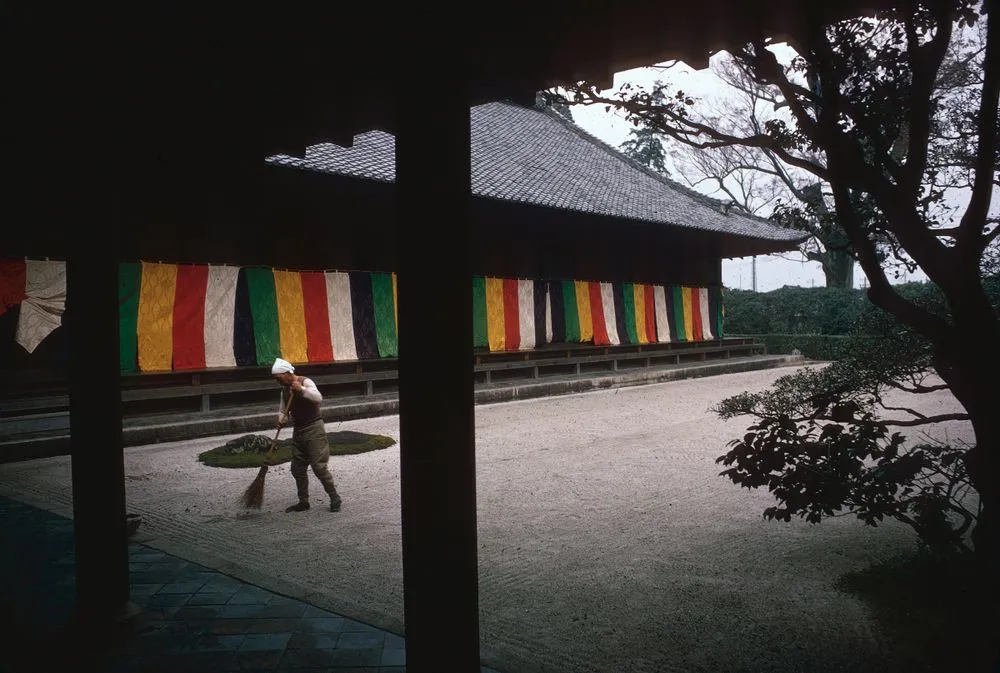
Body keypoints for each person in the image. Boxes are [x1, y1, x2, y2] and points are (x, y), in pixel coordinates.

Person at [271, 358, 342, 512]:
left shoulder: (305, 381)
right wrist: (282, 419)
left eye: (279, 378)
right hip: (298, 430)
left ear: (288, 373)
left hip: (314, 428)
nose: (278, 381)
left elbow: (318, 398)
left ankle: (334, 496)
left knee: (319, 467)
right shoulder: (284, 390)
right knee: (297, 468)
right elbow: (283, 409)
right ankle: (303, 501)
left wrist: (301, 390)